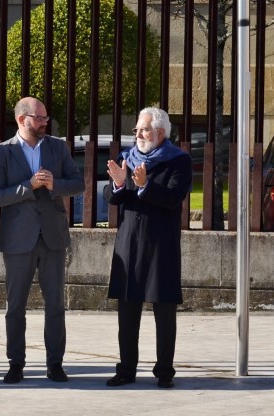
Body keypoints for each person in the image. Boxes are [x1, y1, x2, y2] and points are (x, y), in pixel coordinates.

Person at [0, 97, 85, 384]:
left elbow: (79, 183)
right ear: (22, 119)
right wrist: (27, 187)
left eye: (46, 118)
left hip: (53, 237)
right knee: (15, 306)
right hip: (18, 240)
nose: (46, 122)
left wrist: (55, 184)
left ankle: (55, 363)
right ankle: (15, 363)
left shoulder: (57, 146)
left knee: (55, 304)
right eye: (40, 118)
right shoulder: (2, 152)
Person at [104, 107, 192, 389]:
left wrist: (144, 186)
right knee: (127, 311)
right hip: (129, 243)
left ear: (161, 133)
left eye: (144, 129)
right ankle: (126, 369)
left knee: (164, 311)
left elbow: (174, 197)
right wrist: (119, 184)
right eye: (137, 130)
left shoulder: (178, 160)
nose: (139, 134)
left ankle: (164, 371)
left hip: (160, 245)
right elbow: (111, 197)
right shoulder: (126, 158)